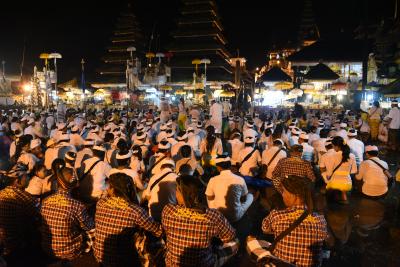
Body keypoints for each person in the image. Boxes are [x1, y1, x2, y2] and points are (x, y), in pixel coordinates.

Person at [247, 175, 328, 267]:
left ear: (295, 195)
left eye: (284, 192)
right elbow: (324, 237)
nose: (282, 195)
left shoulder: (277, 214)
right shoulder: (320, 219)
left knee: (251, 241)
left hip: (281, 264)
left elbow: (265, 229)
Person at [161, 175, 238, 267]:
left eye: (177, 190)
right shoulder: (213, 216)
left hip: (172, 264)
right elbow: (230, 236)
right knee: (235, 242)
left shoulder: (168, 210)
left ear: (183, 194)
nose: (175, 193)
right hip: (203, 264)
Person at [94, 173, 162, 267]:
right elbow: (157, 230)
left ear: (113, 190)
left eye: (108, 186)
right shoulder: (135, 210)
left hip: (100, 256)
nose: (106, 189)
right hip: (121, 261)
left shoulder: (100, 203)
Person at [40, 159, 94, 261]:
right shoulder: (76, 205)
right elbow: (90, 227)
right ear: (73, 185)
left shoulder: (45, 201)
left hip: (48, 249)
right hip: (69, 252)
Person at [0, 163, 39, 257]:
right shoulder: (25, 198)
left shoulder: (1, 193)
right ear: (17, 181)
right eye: (26, 176)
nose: (29, 178)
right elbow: (39, 214)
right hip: (18, 243)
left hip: (3, 241)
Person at [206, 154, 254, 222]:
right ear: (230, 166)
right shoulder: (240, 179)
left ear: (218, 167)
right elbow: (244, 199)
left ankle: (213, 214)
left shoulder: (212, 180)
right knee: (250, 196)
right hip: (235, 216)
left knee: (208, 195)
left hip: (218, 216)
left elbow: (210, 198)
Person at [321, 136, 357, 203]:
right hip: (348, 184)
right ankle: (343, 195)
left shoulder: (333, 155)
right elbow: (354, 171)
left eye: (333, 146)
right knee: (342, 182)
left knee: (327, 183)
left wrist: (326, 178)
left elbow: (329, 173)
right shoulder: (352, 155)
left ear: (337, 146)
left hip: (334, 184)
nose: (333, 148)